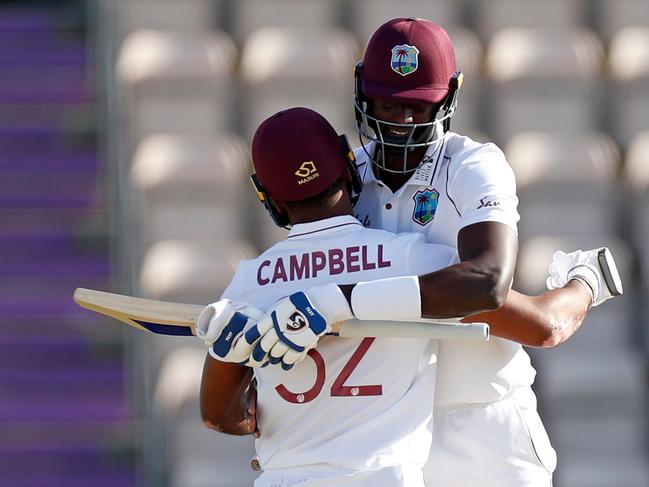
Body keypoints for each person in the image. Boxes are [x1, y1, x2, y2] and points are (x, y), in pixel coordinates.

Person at [201, 18, 623, 487]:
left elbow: (486, 283)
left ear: (450, 96)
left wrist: (335, 302)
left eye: (419, 109)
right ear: (363, 94)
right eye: (389, 105)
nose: (402, 124)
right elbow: (302, 278)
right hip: (390, 433)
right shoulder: (340, 176)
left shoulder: (471, 165)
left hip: (483, 418)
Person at [200, 106, 464, 486]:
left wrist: (252, 419)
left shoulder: (251, 279)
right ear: (348, 163)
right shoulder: (411, 256)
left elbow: (217, 415)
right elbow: (500, 303)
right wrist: (581, 283)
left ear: (267, 196)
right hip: (383, 476)